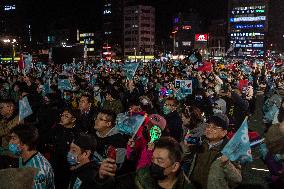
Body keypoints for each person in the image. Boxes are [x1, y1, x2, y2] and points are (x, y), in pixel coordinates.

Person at [97, 137, 195, 189]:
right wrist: (102, 178)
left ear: (175, 166)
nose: (154, 164)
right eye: (153, 159)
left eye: (159, 160)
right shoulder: (142, 175)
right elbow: (116, 186)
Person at [187, 114, 242, 189]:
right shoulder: (200, 142)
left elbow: (237, 179)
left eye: (214, 128)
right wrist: (186, 147)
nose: (209, 129)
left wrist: (226, 164)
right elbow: (183, 160)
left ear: (224, 132)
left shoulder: (230, 150)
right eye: (208, 126)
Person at [45, 107, 82, 189]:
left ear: (73, 119)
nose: (62, 117)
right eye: (62, 115)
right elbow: (47, 139)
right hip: (55, 163)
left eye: (66, 116)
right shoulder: (57, 128)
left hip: (67, 167)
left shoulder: (77, 133)